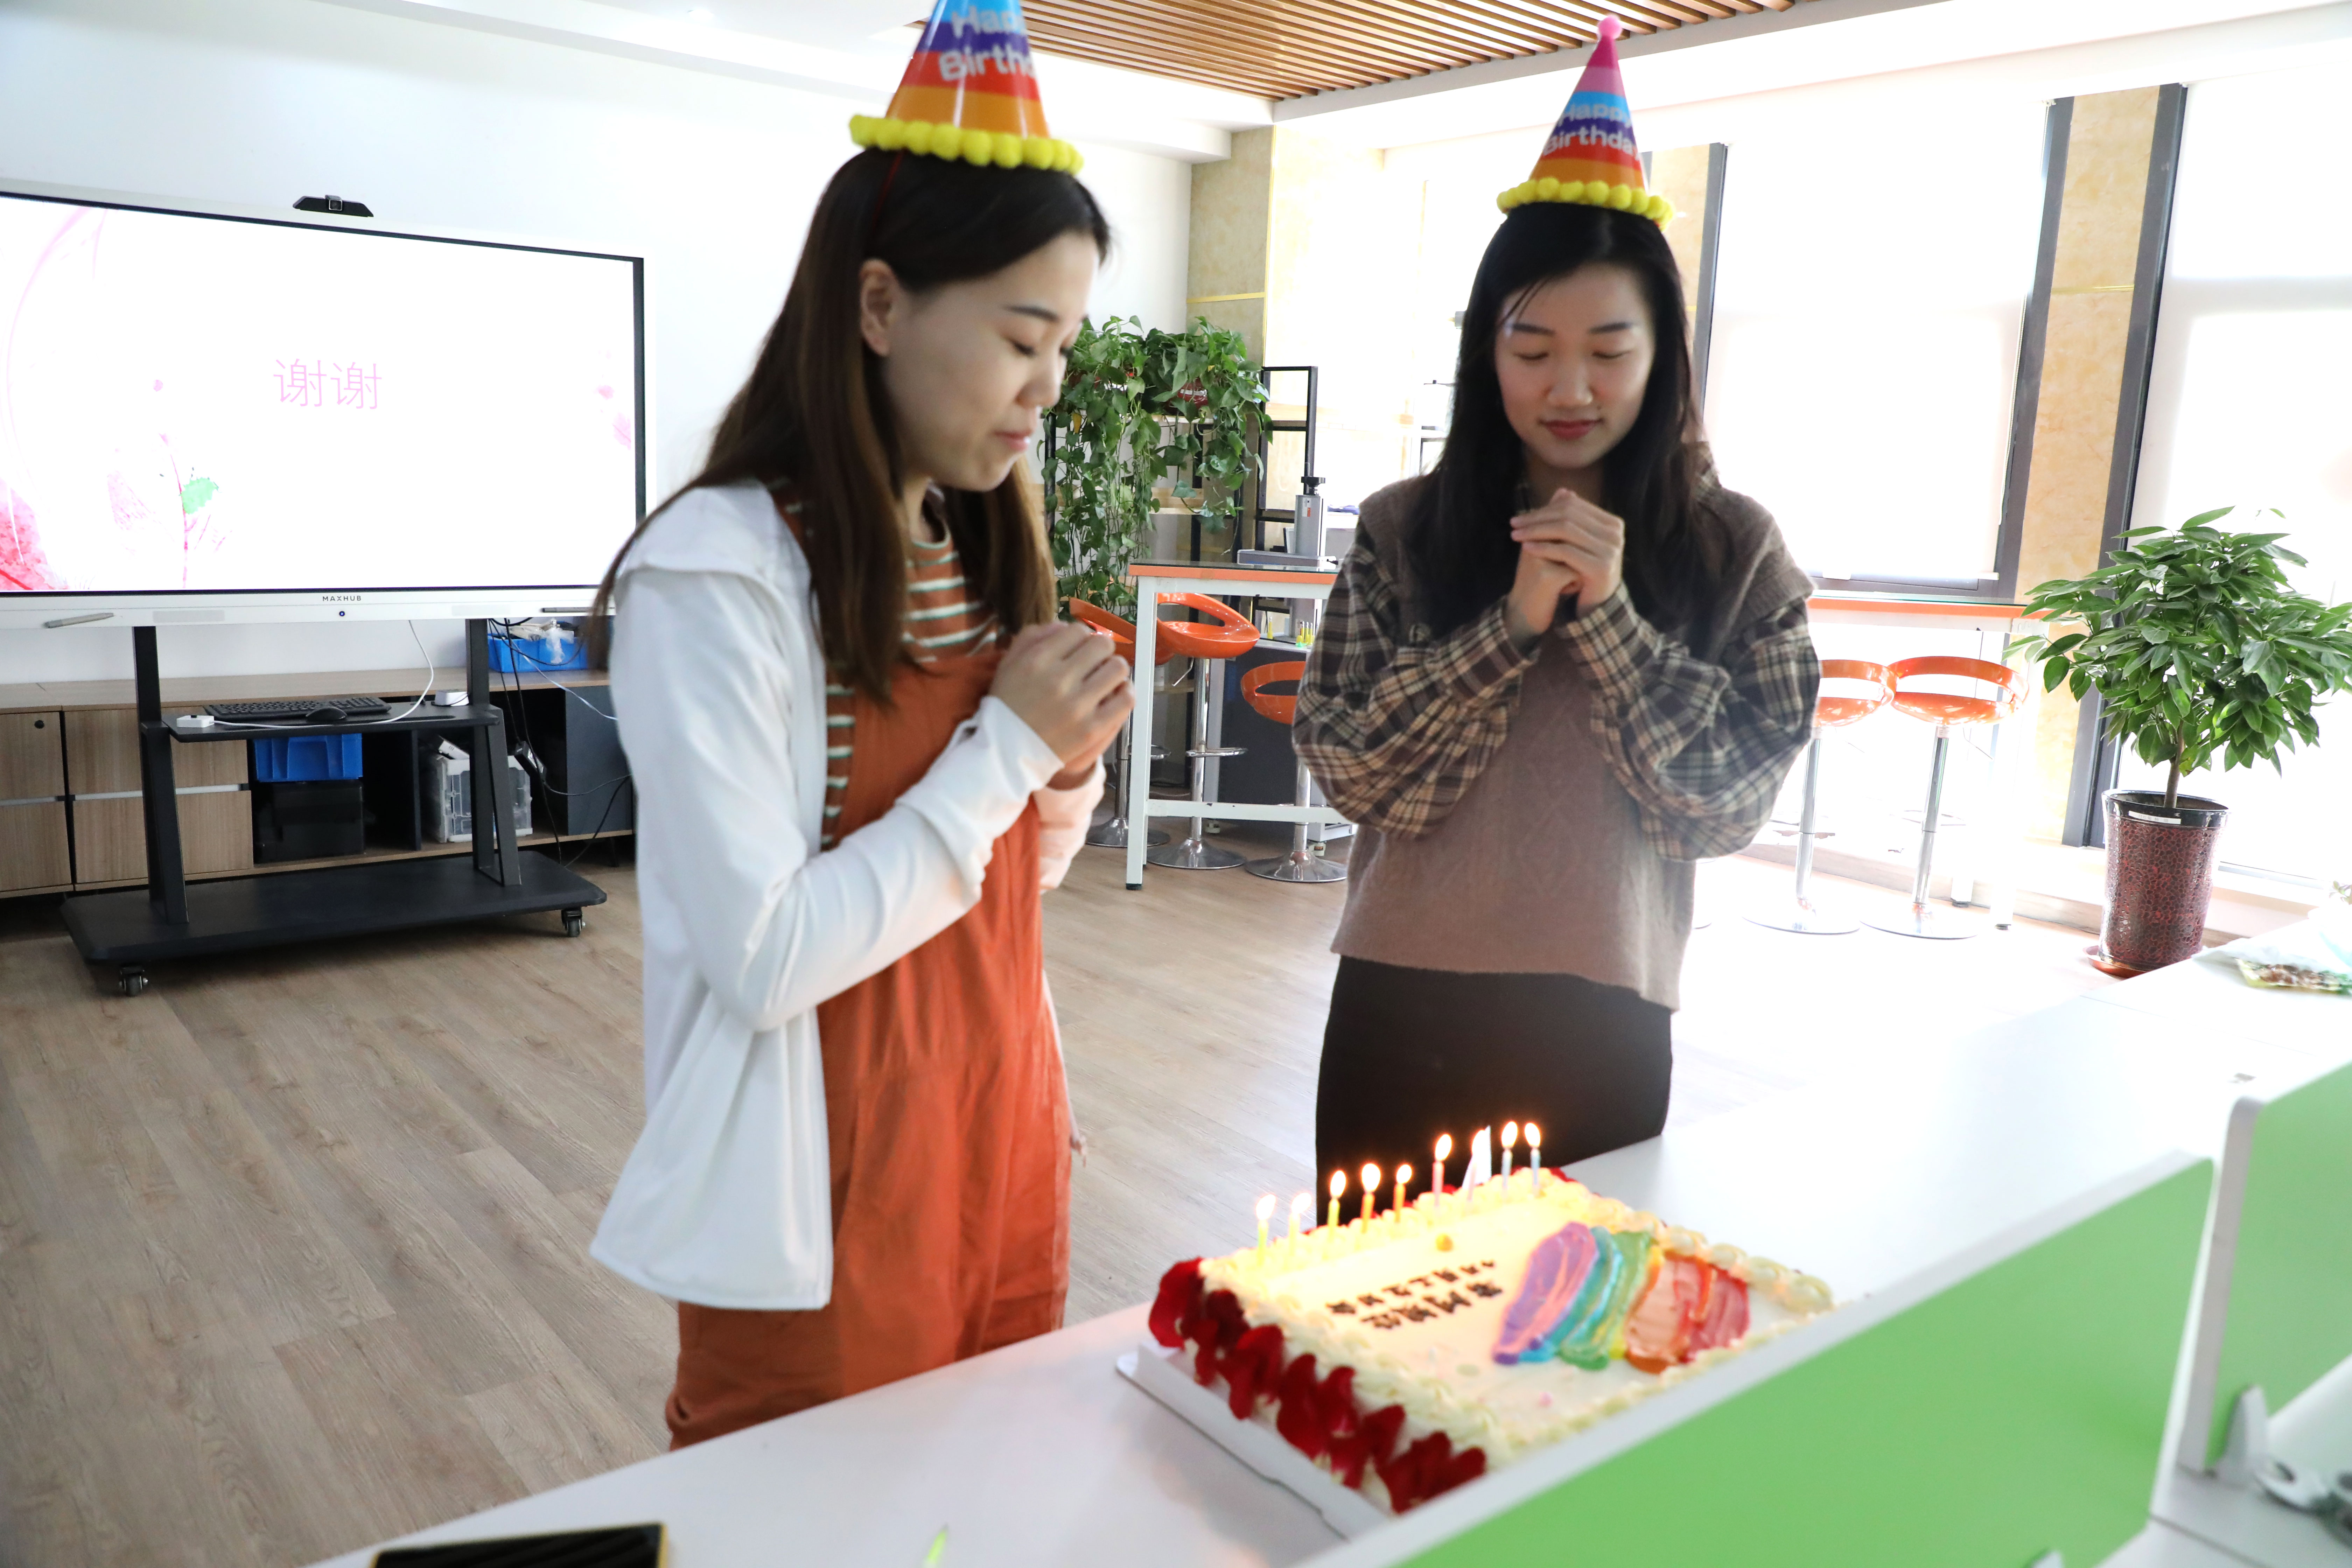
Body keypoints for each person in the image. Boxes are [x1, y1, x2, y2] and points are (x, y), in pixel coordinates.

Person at [587, 4, 1131, 1447]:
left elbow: (1008, 883)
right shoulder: (718, 573)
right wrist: (1007, 752)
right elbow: (766, 957)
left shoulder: (976, 542)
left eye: (1066, 346)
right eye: (1022, 338)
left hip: (998, 1129)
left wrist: (1062, 773)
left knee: (982, 1498)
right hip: (826, 1182)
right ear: (880, 307)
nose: (1048, 390)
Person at [1294, 20, 1819, 1192]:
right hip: (1401, 993)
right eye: (1530, 350)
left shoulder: (1737, 551)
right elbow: (1350, 768)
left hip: (1606, 1006)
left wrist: (1614, 619)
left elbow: (1724, 807)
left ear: (1663, 353)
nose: (1569, 388)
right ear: (1486, 355)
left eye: (1608, 351)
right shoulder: (1403, 528)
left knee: (1575, 1305)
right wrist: (1511, 628)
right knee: (1374, 1299)